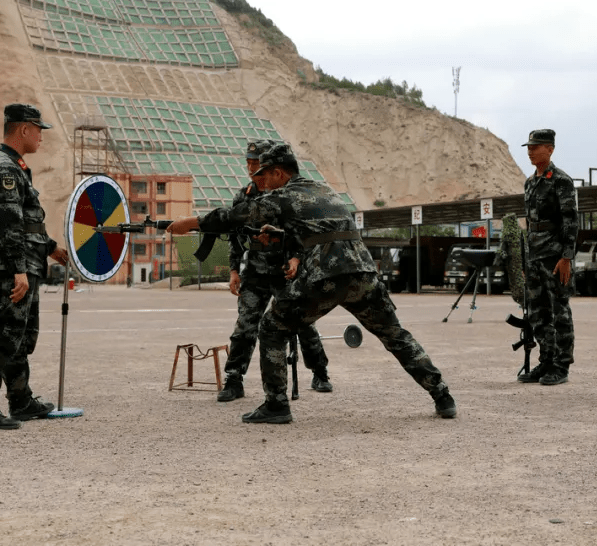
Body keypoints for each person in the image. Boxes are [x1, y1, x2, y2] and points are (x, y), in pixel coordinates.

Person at [168, 142, 455, 423]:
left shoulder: (284, 196)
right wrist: (277, 236)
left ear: (280, 173)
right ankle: (442, 396)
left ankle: (276, 404)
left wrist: (191, 223)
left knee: (272, 327)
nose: (262, 182)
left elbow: (236, 216)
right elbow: (317, 230)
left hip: (327, 275)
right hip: (363, 273)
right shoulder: (323, 190)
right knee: (395, 335)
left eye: (265, 175)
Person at [0, 104, 69, 430]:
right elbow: (9, 225)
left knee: (20, 337)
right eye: (38, 129)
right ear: (24, 129)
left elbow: (26, 223)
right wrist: (19, 271)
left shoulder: (17, 167)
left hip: (25, 261)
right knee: (1, 335)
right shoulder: (5, 169)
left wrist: (50, 248)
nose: (41, 136)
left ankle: (21, 401)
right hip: (14, 266)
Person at [216, 140, 333, 403]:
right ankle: (234, 379)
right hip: (255, 273)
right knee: (245, 326)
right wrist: (234, 270)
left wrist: (296, 258)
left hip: (285, 272)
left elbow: (300, 231)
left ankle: (320, 372)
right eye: (248, 163)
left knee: (302, 323)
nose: (251, 169)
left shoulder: (286, 194)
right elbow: (236, 238)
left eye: (256, 164)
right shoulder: (243, 196)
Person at [519, 129, 578, 386]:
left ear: (550, 149)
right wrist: (525, 261)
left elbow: (570, 221)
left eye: (536, 147)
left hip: (554, 256)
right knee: (537, 311)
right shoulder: (530, 183)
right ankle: (546, 361)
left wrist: (566, 257)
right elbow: (530, 225)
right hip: (534, 256)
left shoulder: (561, 181)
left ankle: (561, 365)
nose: (531, 151)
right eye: (529, 147)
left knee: (559, 311)